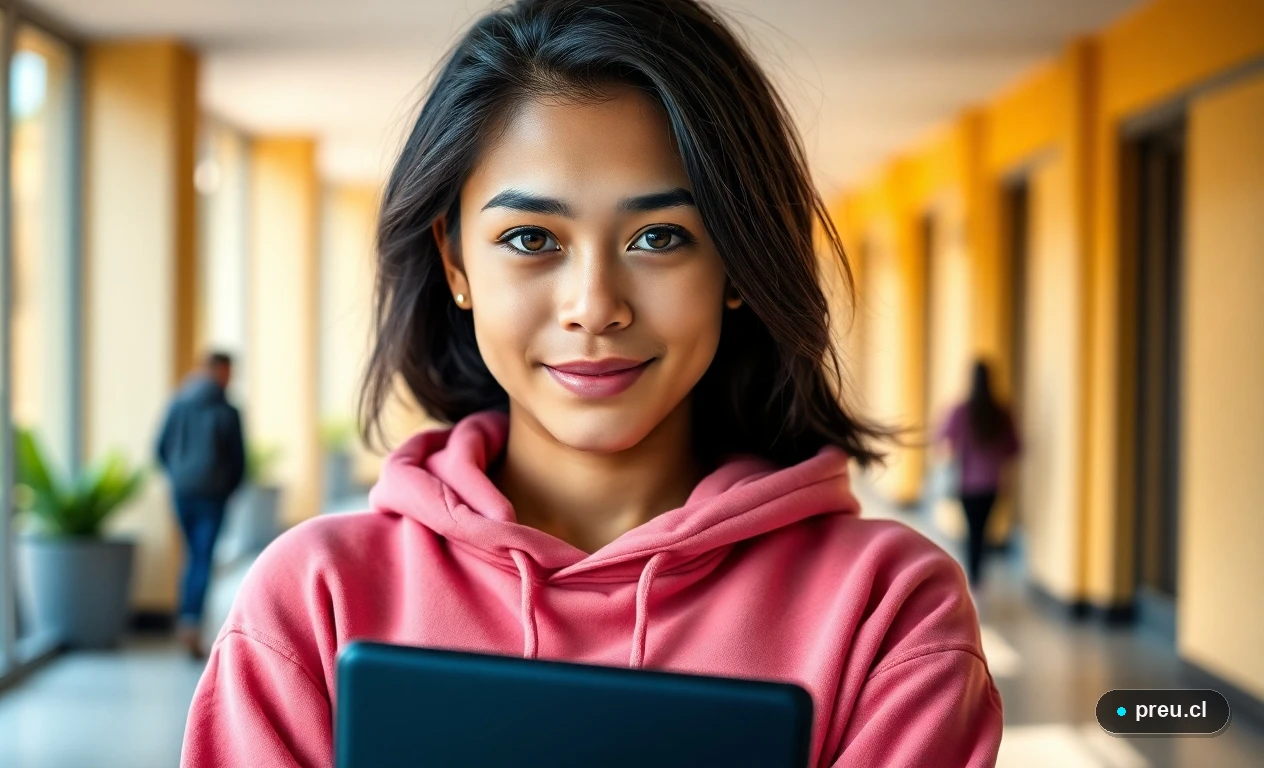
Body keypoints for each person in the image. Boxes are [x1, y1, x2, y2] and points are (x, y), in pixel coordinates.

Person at [182, 1, 1002, 765]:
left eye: (658, 236)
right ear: (454, 259)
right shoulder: (310, 607)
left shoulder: (890, 614)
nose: (595, 306)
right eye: (532, 237)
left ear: (737, 263)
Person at [156, 351, 246, 660]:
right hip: (212, 495)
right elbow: (238, 461)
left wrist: (178, 477)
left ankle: (187, 619)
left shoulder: (178, 403)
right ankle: (191, 624)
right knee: (202, 559)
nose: (230, 378)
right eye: (229, 371)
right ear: (219, 370)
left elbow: (160, 449)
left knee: (191, 556)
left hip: (182, 492)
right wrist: (227, 488)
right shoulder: (227, 410)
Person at [936, 361, 1022, 589]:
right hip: (992, 484)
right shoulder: (1002, 413)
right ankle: (978, 578)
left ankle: (973, 580)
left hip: (967, 484)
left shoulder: (962, 411)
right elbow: (1015, 448)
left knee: (972, 532)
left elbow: (942, 437)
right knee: (982, 532)